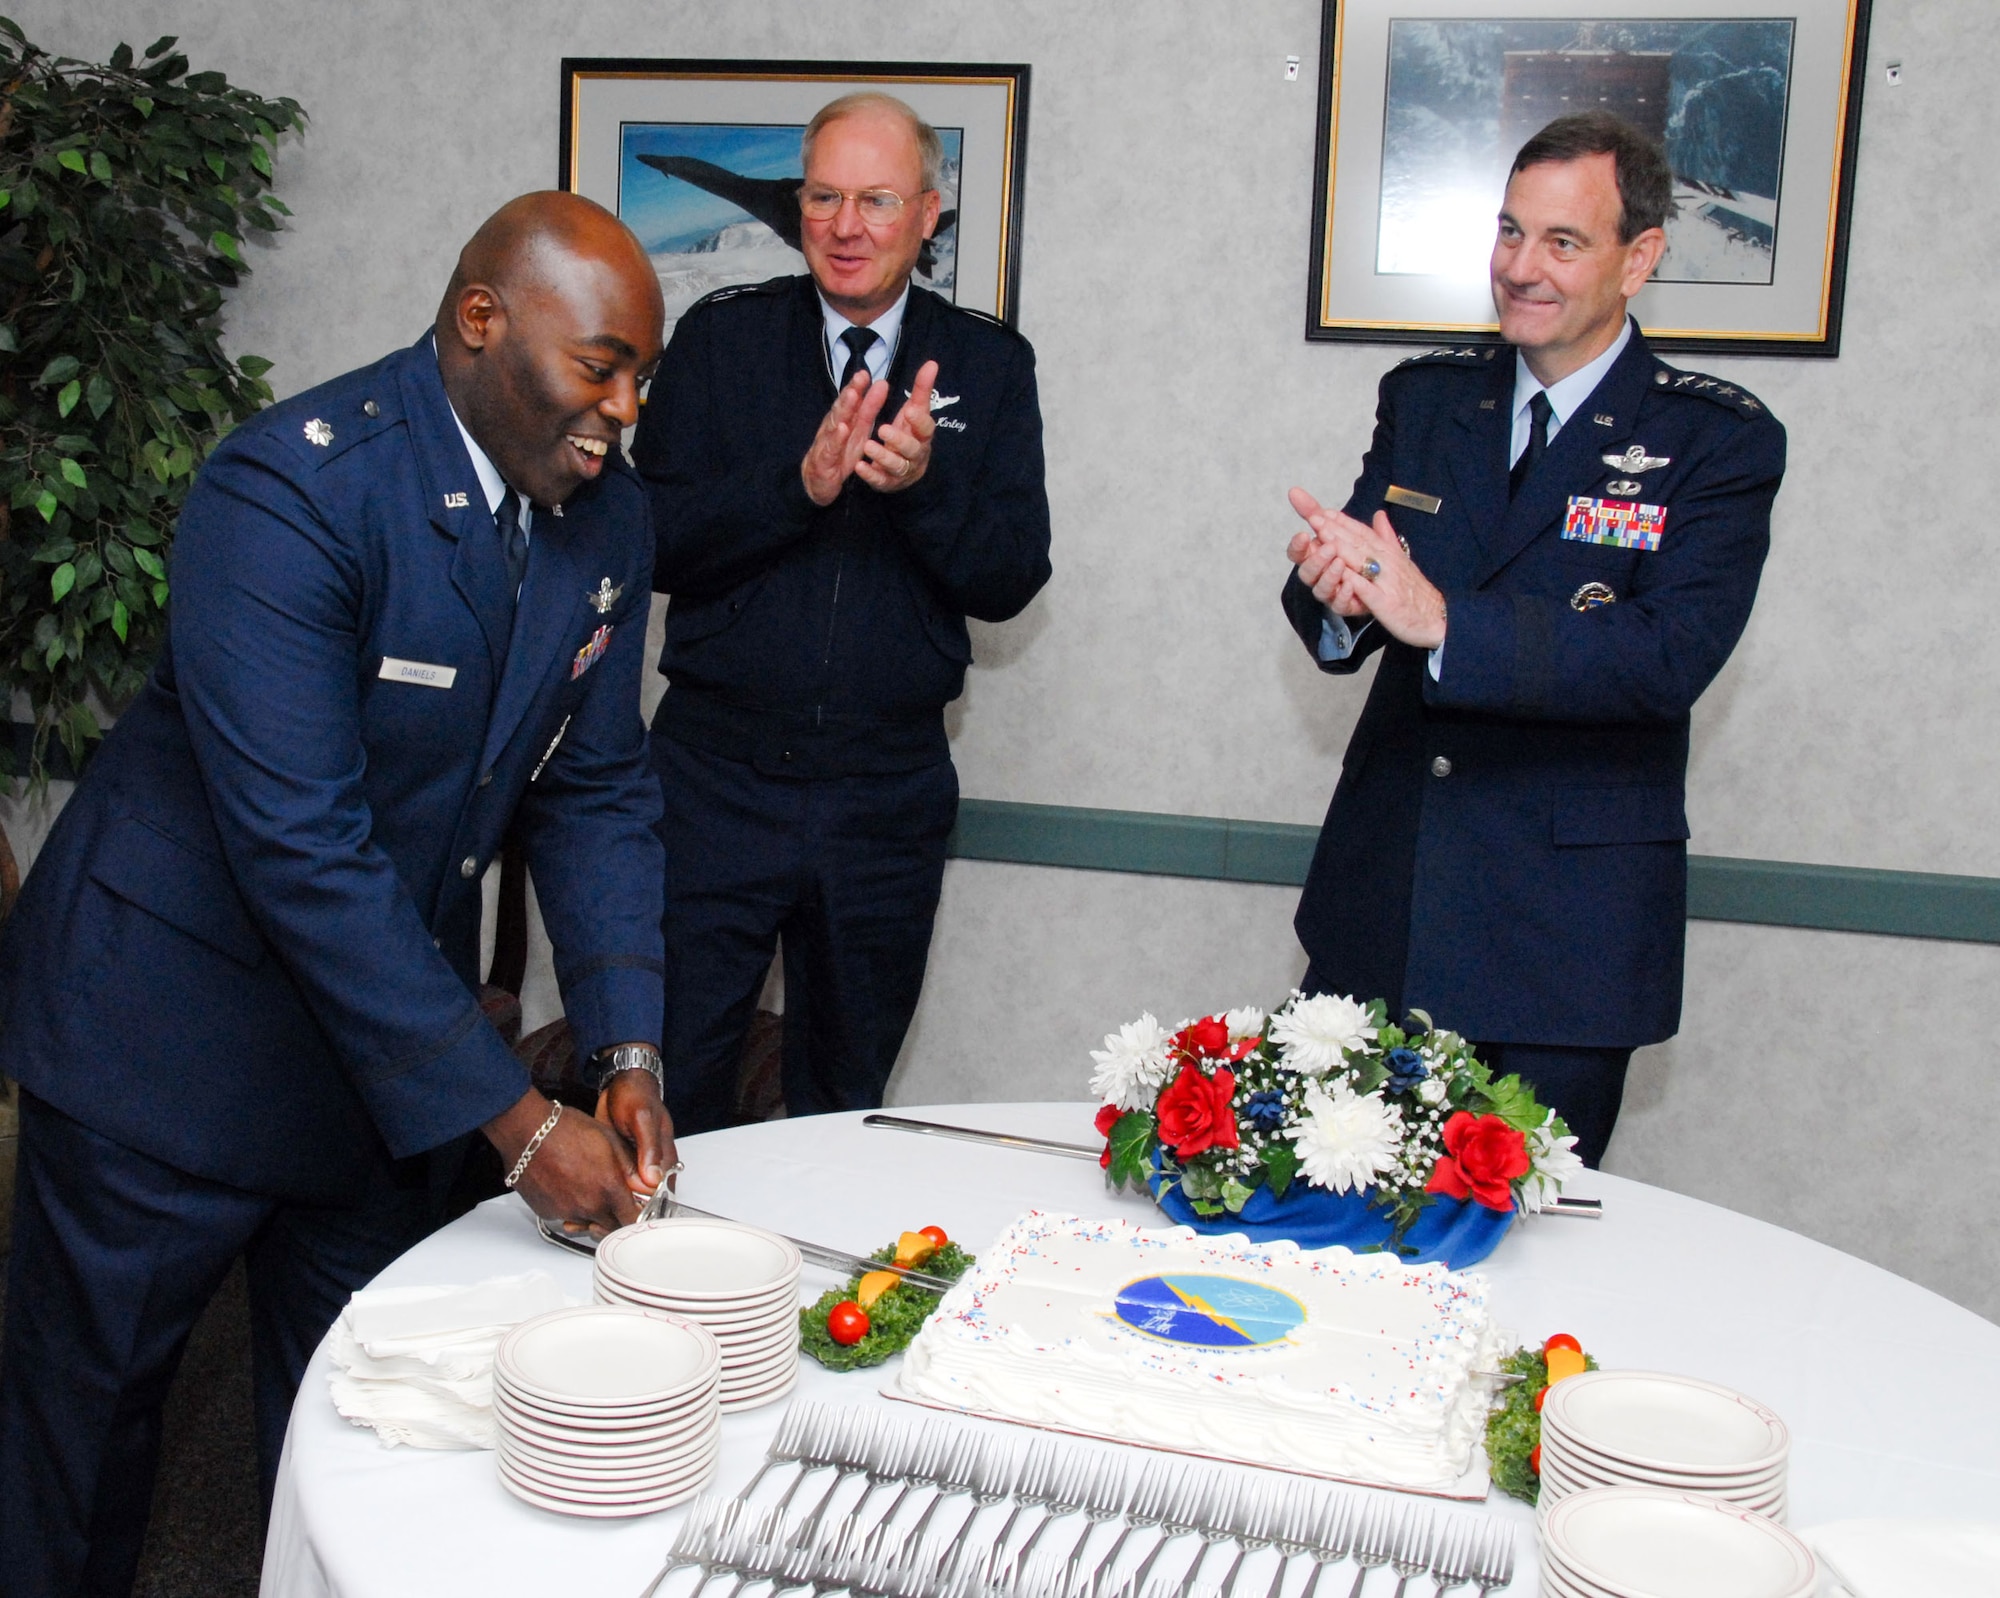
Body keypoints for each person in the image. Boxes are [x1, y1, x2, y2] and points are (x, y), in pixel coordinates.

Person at [0, 193, 677, 1594]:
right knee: (85, 1446)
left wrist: (623, 1048)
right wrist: (516, 1117)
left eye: (639, 377)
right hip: (161, 1046)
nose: (622, 407)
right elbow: (302, 848)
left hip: (377, 1065)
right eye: (600, 364)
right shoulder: (292, 490)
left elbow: (597, 790)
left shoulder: (607, 527)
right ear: (480, 321)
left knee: (372, 1429)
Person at [1282, 111, 1786, 1166]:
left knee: (1524, 1269)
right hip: (1388, 904)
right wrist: (1335, 593)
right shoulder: (1427, 401)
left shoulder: (1711, 439)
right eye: (1509, 233)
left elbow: (1661, 657)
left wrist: (1444, 621)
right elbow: (1362, 584)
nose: (1519, 267)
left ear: (1637, 257)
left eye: (1560, 241)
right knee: (1321, 1231)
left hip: (1559, 942)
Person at [632, 92, 1052, 1134]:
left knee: (841, 1102)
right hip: (711, 783)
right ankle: (659, 1295)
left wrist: (921, 487)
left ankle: (822, 1301)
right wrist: (796, 489)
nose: (846, 225)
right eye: (822, 197)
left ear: (927, 213)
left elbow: (1008, 576)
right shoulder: (721, 341)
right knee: (672, 1081)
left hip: (886, 794)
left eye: (874, 199)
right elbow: (648, 540)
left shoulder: (990, 365)